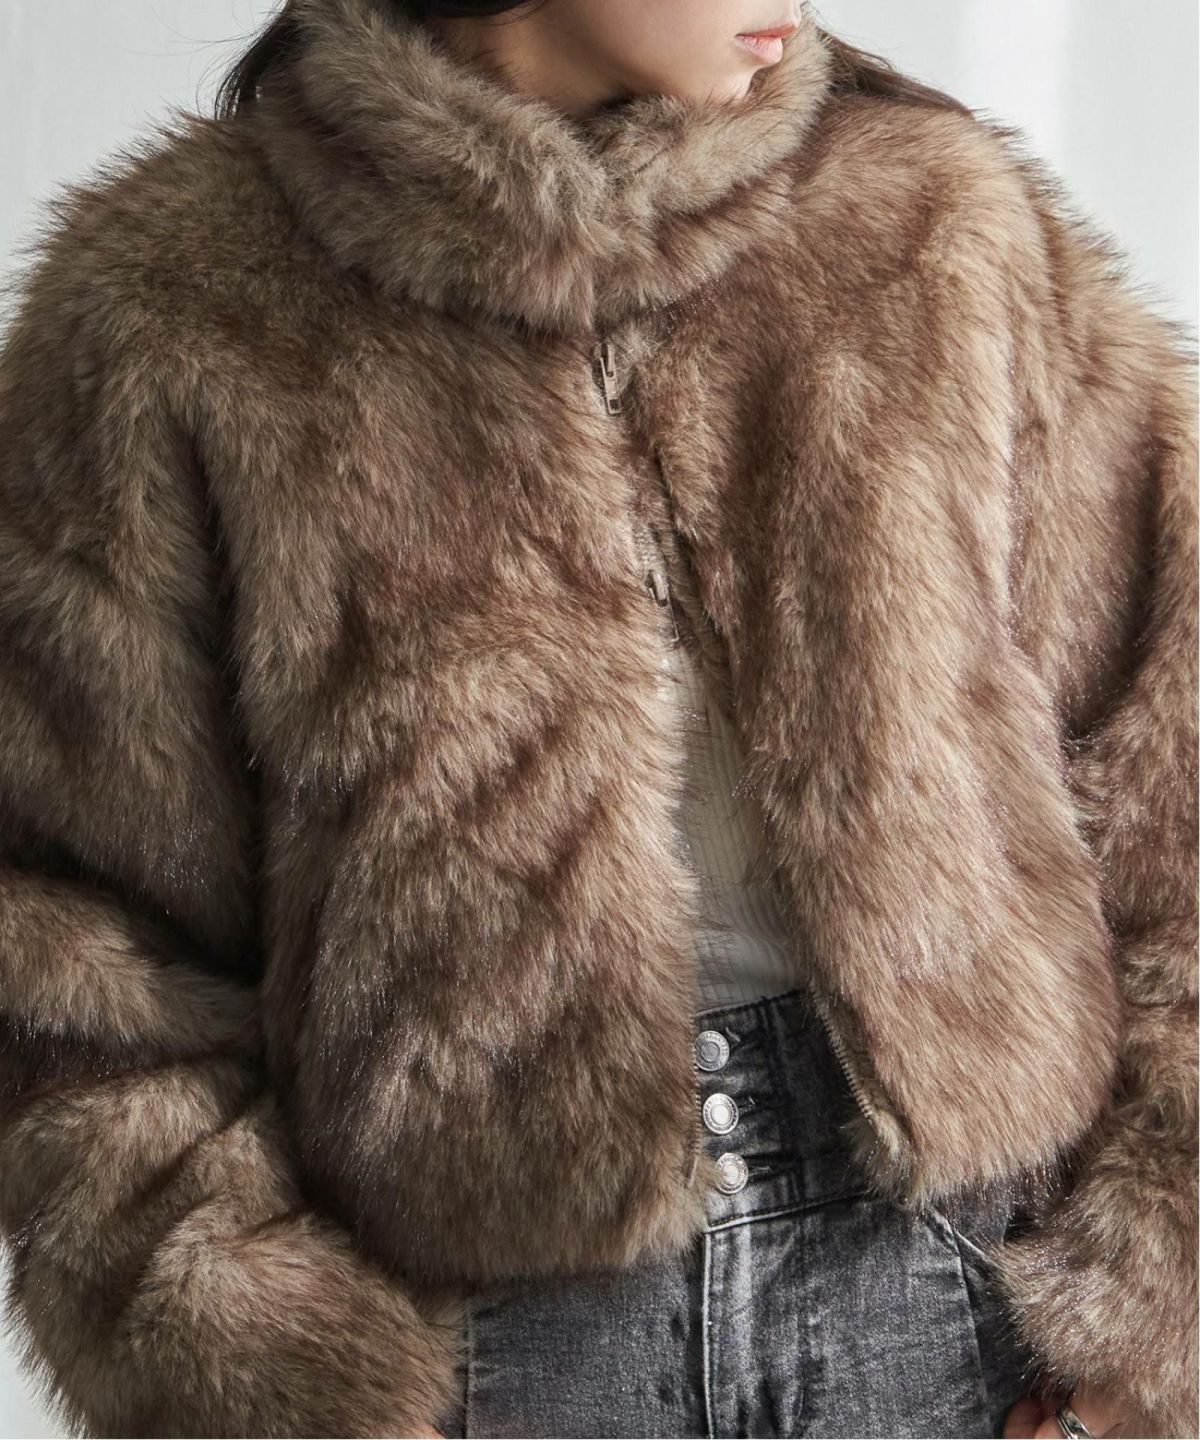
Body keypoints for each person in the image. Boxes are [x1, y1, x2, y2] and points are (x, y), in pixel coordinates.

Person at [0, 0, 1195, 1436]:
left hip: (955, 1292)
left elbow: (1173, 759)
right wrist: (268, 1362)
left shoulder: (932, 229)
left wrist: (1156, 1296)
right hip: (479, 1343)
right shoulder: (177, 304)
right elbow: (67, 928)